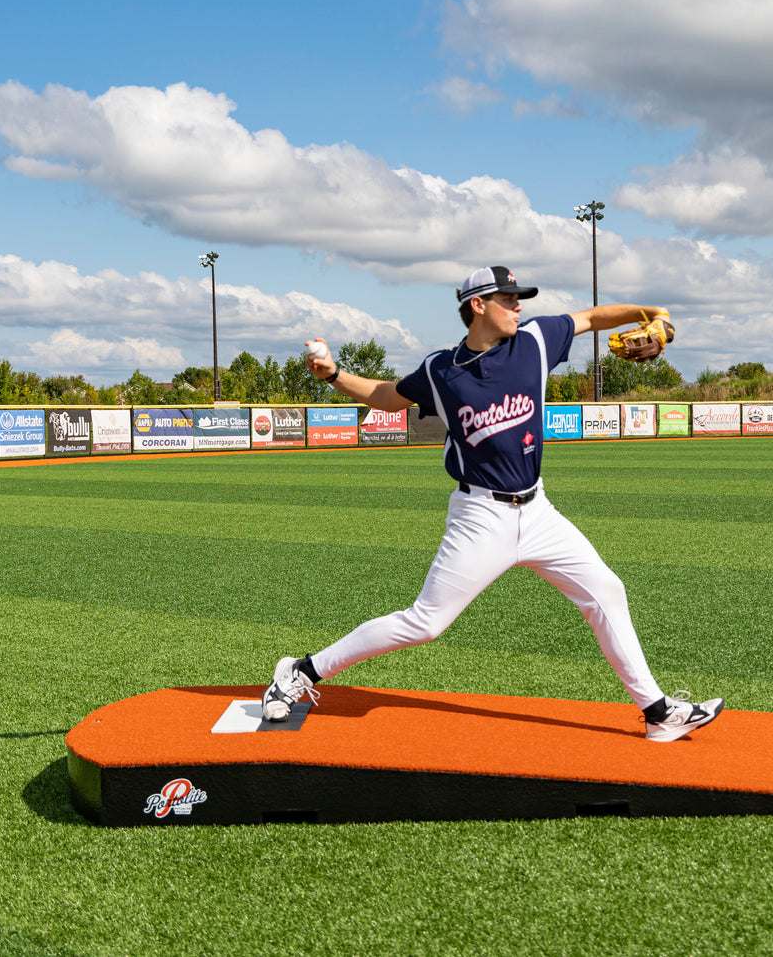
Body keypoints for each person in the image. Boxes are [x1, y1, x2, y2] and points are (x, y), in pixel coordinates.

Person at [262, 266, 722, 742]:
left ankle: (658, 712)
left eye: (519, 298)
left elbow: (590, 317)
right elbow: (386, 396)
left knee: (606, 591)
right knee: (424, 623)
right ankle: (299, 671)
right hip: (480, 517)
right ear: (478, 305)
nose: (519, 306)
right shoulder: (441, 370)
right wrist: (334, 374)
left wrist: (651, 312)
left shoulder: (537, 341)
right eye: (509, 299)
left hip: (539, 511)